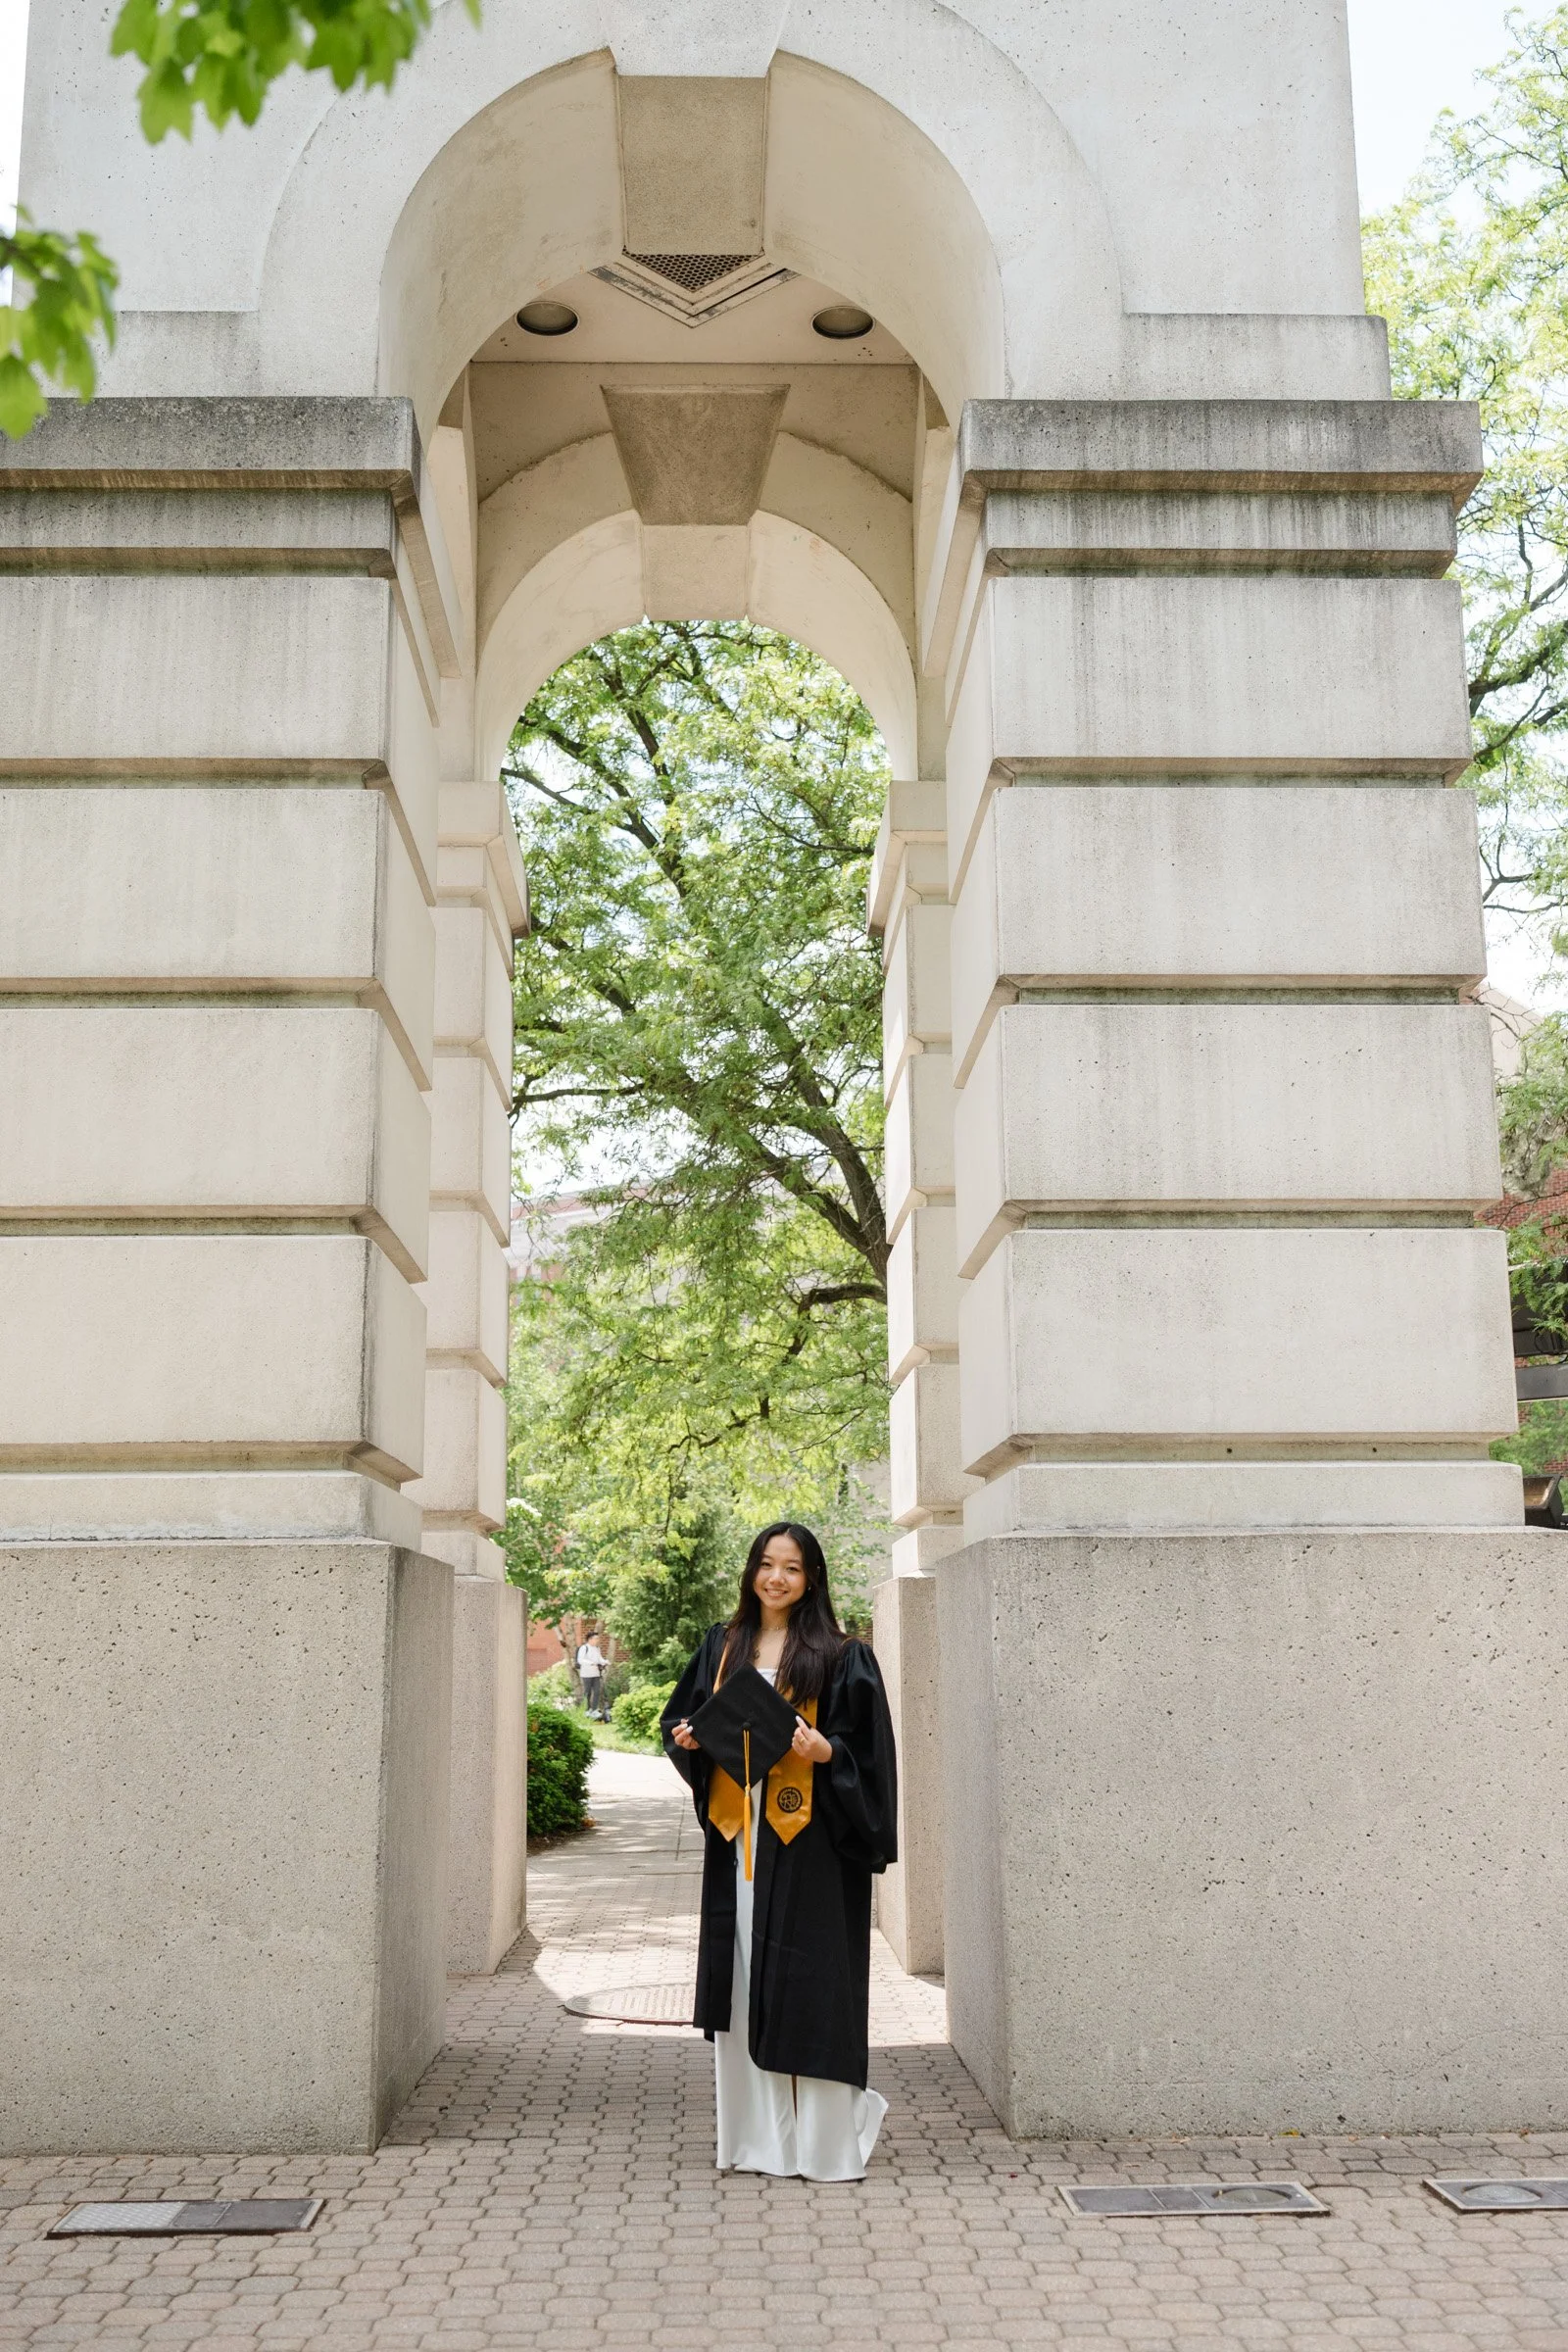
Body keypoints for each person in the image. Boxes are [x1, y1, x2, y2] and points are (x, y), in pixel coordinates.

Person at [662, 1521, 898, 2182]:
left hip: (811, 1842)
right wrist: (688, 1740)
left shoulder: (842, 1654)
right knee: (743, 1974)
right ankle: (757, 2140)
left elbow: (871, 1757)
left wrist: (827, 1753)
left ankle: (823, 2143)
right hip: (741, 1837)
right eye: (766, 1564)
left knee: (811, 1981)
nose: (776, 1578)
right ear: (751, 1572)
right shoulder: (723, 1644)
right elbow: (683, 1718)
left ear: (812, 1578)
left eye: (792, 1568)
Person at [575, 1630, 609, 1721]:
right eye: (596, 1638)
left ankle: (594, 1710)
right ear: (590, 1639)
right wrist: (591, 1663)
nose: (597, 1640)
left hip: (596, 1673)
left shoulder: (597, 1648)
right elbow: (580, 1660)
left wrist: (604, 1661)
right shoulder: (584, 1648)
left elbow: (599, 1658)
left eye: (598, 1638)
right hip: (586, 1674)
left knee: (597, 1691)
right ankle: (587, 1710)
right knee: (587, 1692)